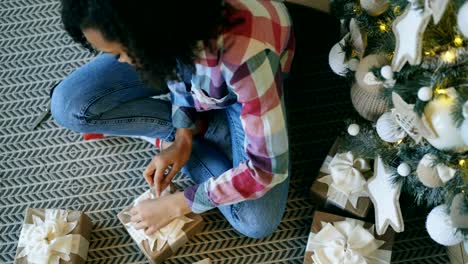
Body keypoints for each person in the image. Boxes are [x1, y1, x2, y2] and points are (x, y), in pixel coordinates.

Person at [54, 0, 294, 239]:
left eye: (119, 53)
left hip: (238, 88)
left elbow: (266, 170)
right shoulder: (167, 29)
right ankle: (201, 134)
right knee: (68, 106)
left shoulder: (246, 59)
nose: (124, 62)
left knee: (256, 221)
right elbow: (177, 69)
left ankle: (213, 131)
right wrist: (182, 137)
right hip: (192, 63)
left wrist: (178, 203)